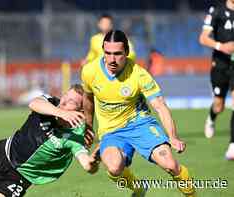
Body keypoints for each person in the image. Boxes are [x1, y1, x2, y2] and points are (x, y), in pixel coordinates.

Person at [81, 30, 196, 197]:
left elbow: (160, 106)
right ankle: (139, 189)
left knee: (170, 164)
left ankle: (192, 195)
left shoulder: (139, 74)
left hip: (140, 123)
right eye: (108, 53)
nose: (112, 59)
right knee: (114, 168)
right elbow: (88, 99)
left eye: (118, 54)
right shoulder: (89, 71)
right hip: (111, 131)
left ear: (127, 52)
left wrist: (173, 136)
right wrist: (89, 126)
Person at [198, 0, 234, 160]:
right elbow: (203, 38)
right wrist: (221, 46)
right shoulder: (217, 10)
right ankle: (211, 119)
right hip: (220, 64)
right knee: (219, 106)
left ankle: (232, 146)